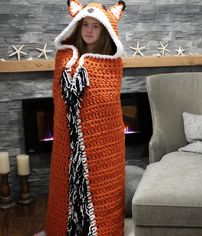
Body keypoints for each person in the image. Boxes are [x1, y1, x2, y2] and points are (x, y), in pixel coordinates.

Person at [44, 1, 126, 236]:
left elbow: (107, 102)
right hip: (68, 142)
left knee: (102, 193)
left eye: (96, 26)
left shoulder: (111, 64)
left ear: (105, 31)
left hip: (103, 144)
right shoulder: (63, 58)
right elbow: (60, 101)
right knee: (66, 189)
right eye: (85, 25)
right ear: (77, 27)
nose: (89, 30)